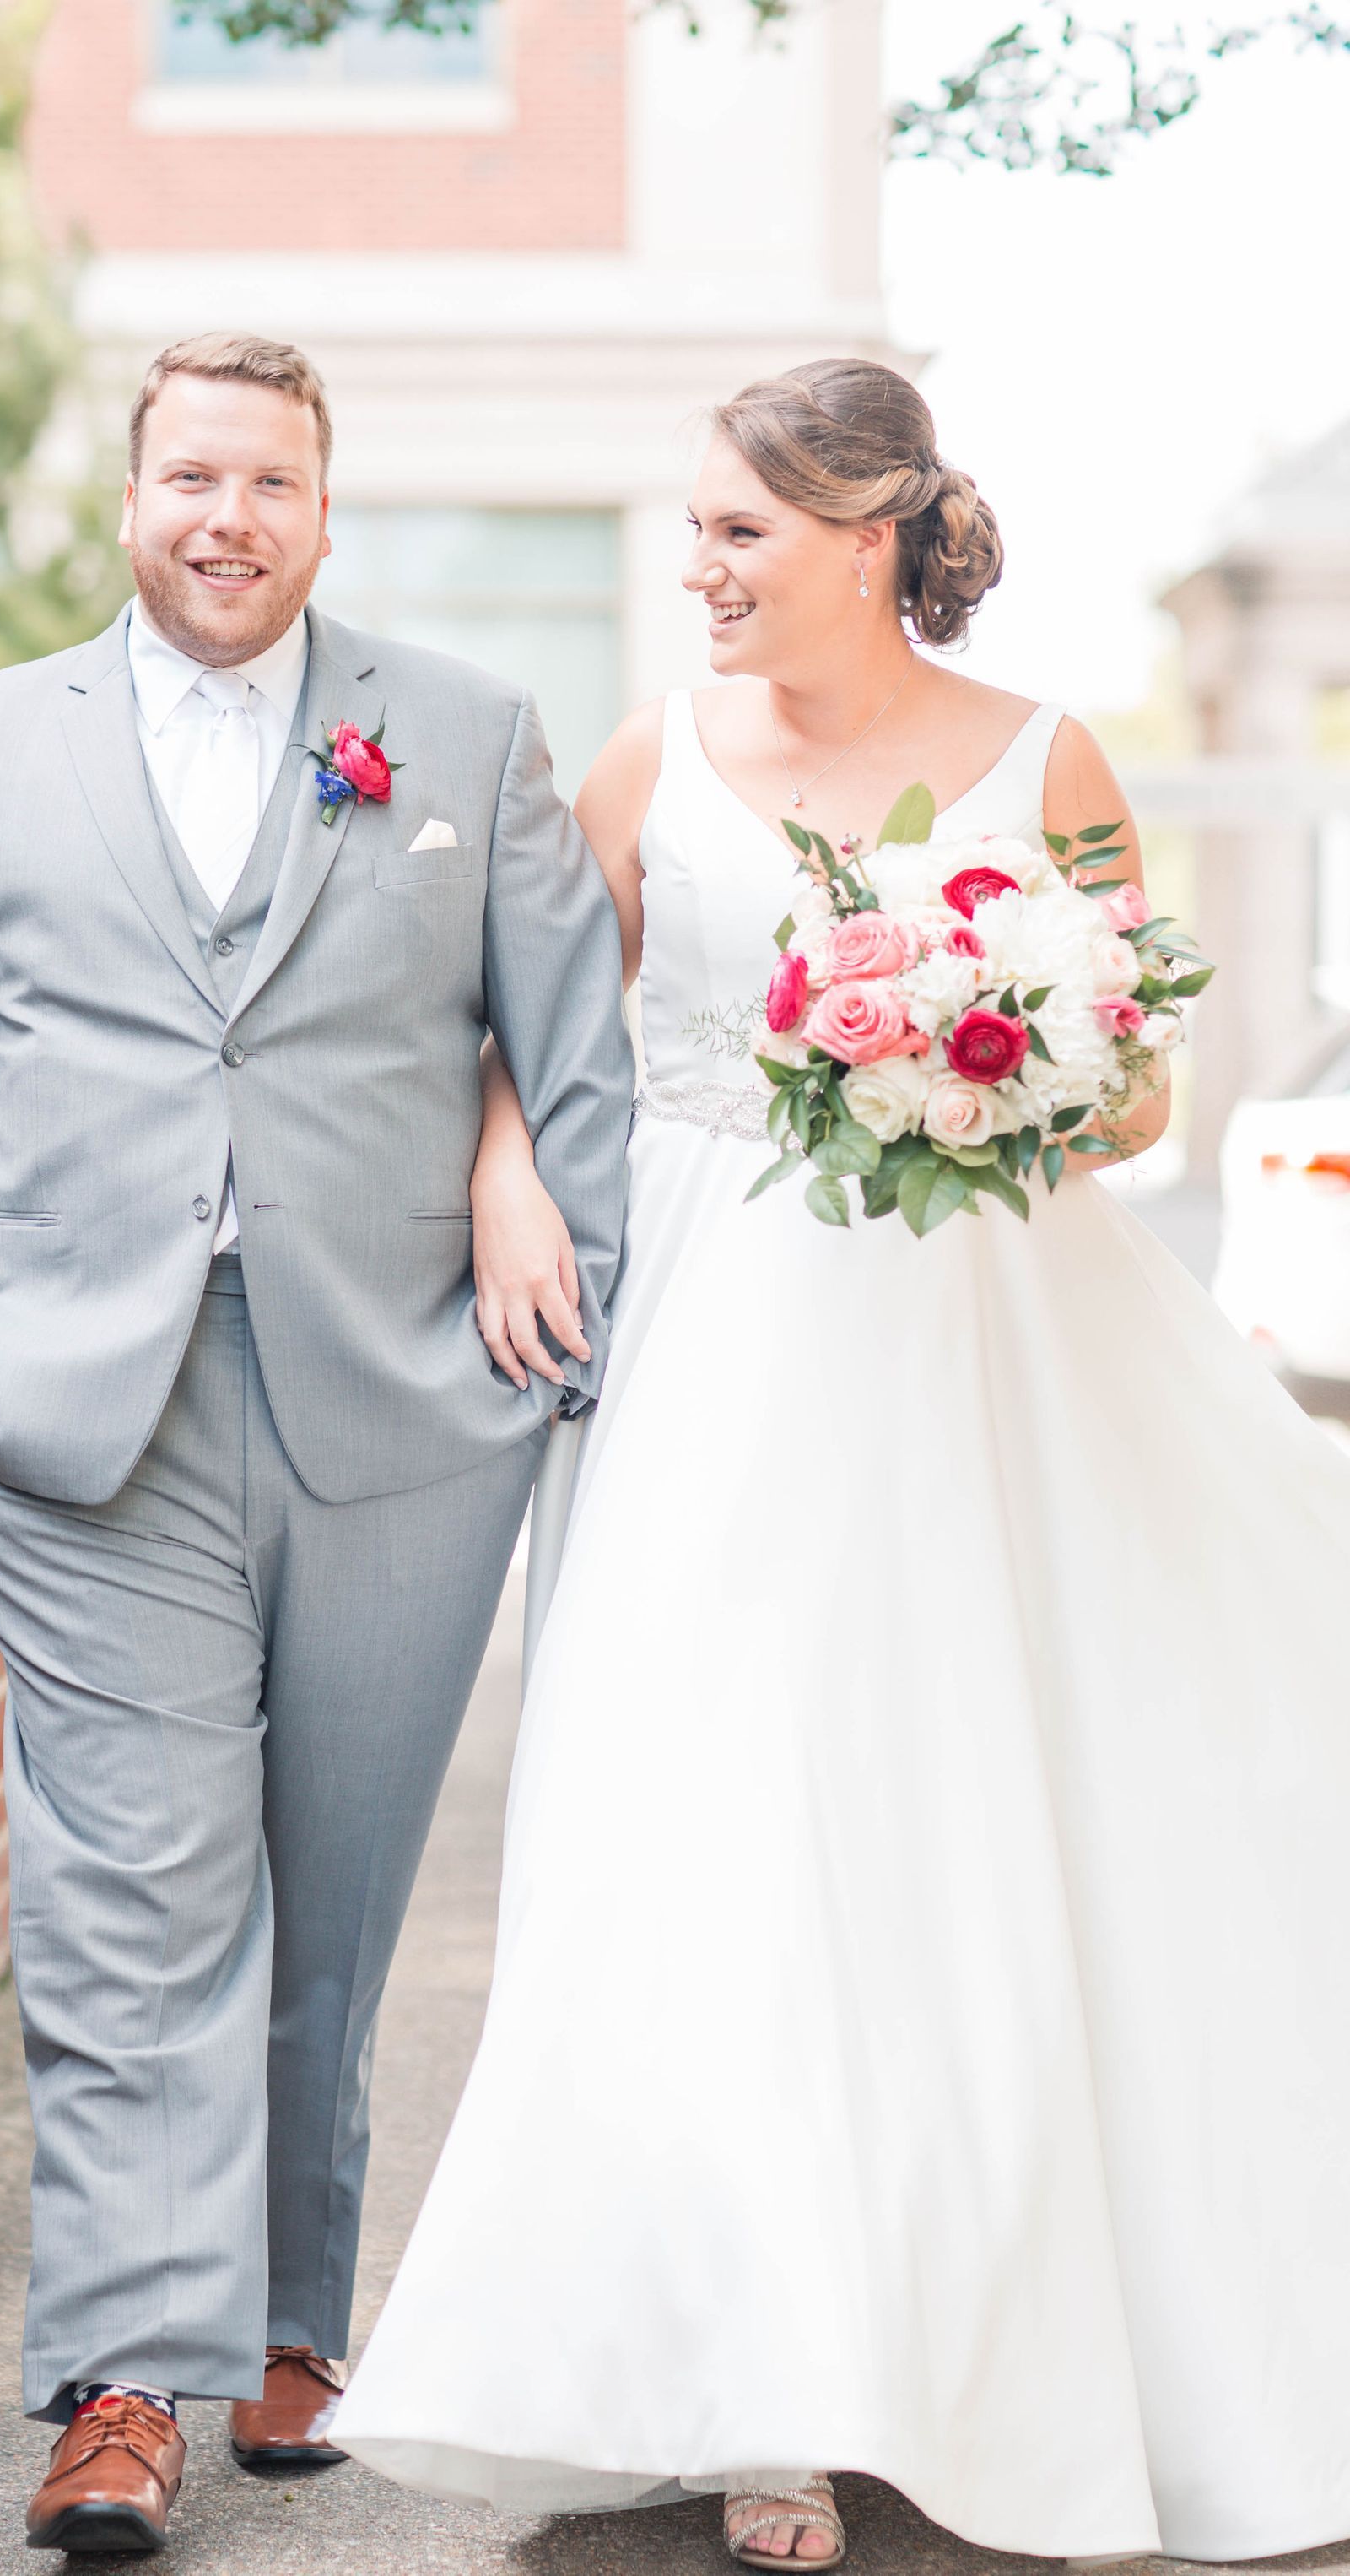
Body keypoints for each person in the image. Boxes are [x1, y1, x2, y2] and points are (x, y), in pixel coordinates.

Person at [334, 360, 1350, 2570]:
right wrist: (510, 1167)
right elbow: (516, 1020)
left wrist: (983, 1089)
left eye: (734, 533)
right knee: (696, 1815)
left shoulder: (1046, 755)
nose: (693, 567)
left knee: (932, 1812)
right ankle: (751, 2379)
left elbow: (1145, 1093)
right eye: (692, 528)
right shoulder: (642, 759)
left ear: (871, 534)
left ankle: (944, 2339)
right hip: (700, 1326)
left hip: (968, 1330)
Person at [0, 331, 632, 2555]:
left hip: (400, 1414)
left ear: (321, 507)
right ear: (129, 497)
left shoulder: (461, 733)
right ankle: (118, 2377)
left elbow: (566, 1059)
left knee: (335, 1887)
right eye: (193, 473)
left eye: (271, 480)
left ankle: (291, 2310)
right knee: (138, 1885)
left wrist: (558, 1355)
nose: (229, 516)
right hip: (81, 1414)